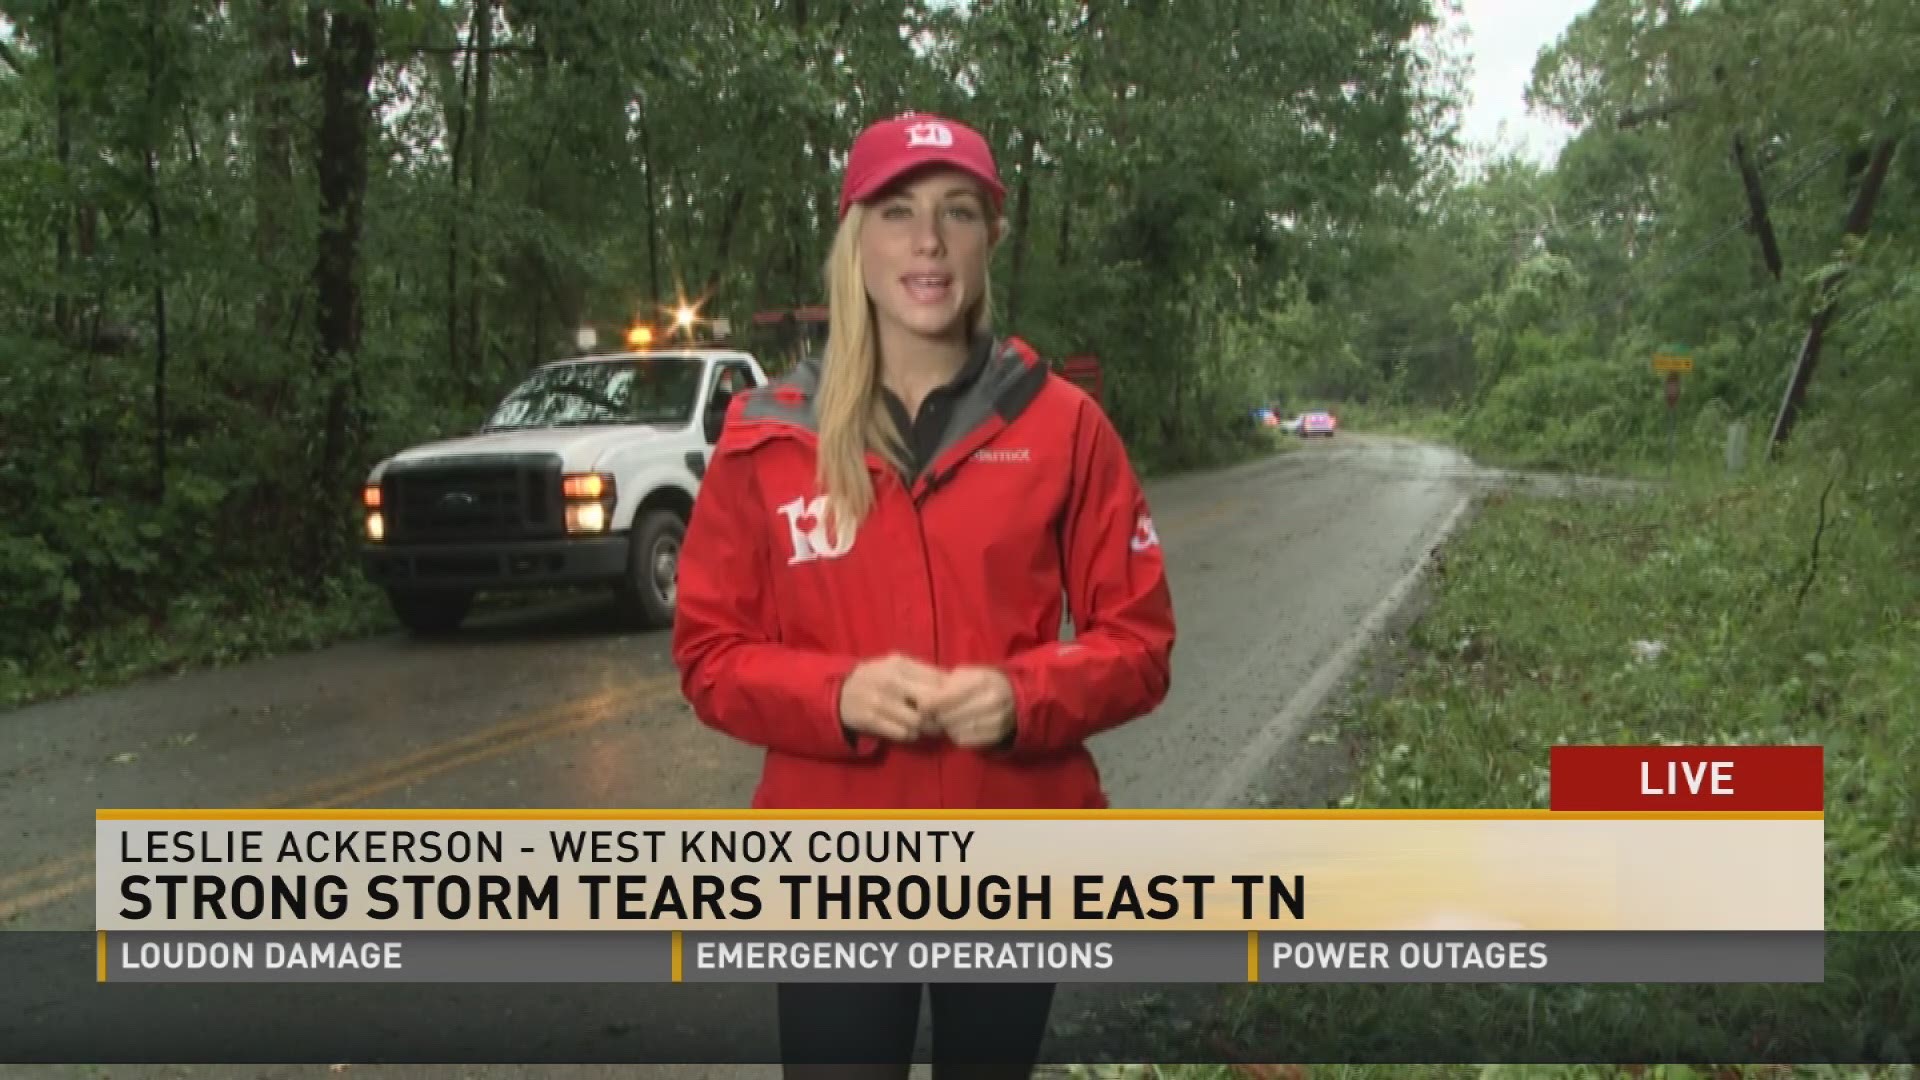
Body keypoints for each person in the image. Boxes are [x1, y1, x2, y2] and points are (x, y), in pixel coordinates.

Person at [672, 111, 1177, 1080]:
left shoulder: (1064, 426)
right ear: (856, 241)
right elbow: (709, 654)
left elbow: (1140, 644)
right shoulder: (768, 437)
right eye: (898, 212)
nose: (929, 242)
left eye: (958, 212)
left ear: (992, 236)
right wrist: (836, 696)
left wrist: (1027, 697)